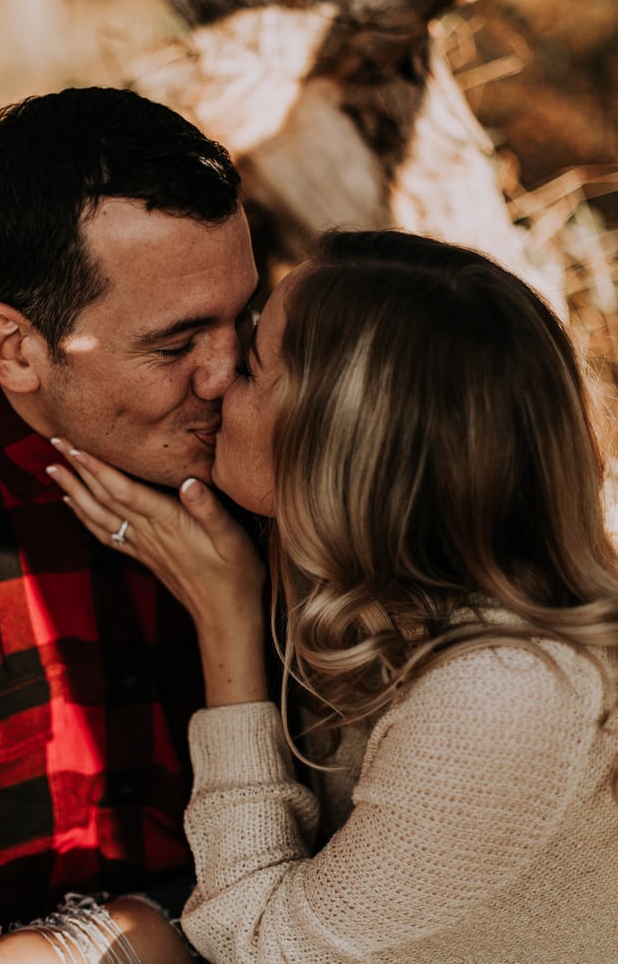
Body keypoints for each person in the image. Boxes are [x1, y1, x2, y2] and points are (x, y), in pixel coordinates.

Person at [48, 229, 618, 963]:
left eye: (251, 365)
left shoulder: (508, 693)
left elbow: (255, 943)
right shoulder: (367, 575)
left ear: (338, 442)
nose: (216, 378)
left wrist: (225, 621)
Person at [0, 86, 258, 961]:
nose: (226, 375)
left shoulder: (279, 461)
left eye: (243, 320)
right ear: (14, 351)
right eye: (174, 343)